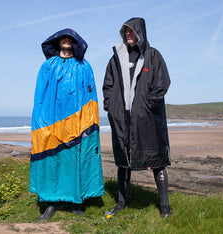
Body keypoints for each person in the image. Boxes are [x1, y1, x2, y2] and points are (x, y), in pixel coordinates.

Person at [30, 28, 104, 221]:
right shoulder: (47, 67)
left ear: (75, 43)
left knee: (76, 159)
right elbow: (40, 98)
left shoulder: (83, 66)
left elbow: (91, 97)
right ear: (57, 42)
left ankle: (77, 201)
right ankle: (50, 202)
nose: (66, 41)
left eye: (70, 38)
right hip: (52, 122)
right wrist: (41, 123)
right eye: (63, 38)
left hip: (78, 123)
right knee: (51, 159)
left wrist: (89, 122)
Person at [103, 18, 172, 218]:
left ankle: (165, 208)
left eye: (132, 32)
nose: (129, 35)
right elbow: (108, 85)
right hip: (122, 119)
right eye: (126, 32)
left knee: (157, 160)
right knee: (123, 161)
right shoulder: (116, 59)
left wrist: (147, 107)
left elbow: (162, 83)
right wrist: (111, 106)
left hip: (147, 120)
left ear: (140, 33)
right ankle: (121, 203)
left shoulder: (153, 56)